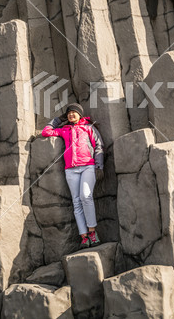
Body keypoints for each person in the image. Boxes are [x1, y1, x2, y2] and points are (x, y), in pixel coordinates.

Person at [42, 103, 104, 249]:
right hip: (70, 170)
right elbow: (46, 131)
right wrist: (58, 119)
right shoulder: (64, 130)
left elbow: (99, 146)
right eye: (68, 113)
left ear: (80, 114)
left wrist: (99, 166)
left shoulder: (89, 128)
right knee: (76, 202)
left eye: (74, 112)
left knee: (85, 196)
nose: (71, 115)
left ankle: (92, 232)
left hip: (88, 166)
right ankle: (84, 236)